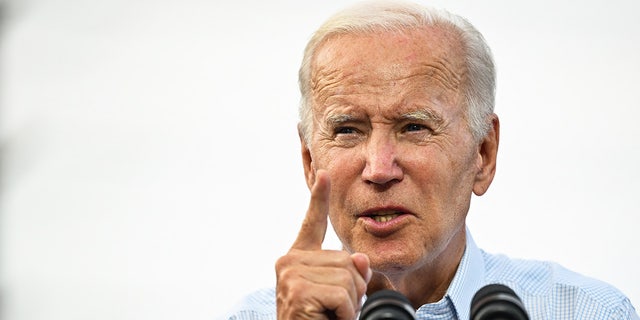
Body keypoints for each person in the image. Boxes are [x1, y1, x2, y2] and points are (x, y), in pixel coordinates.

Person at [223, 1, 639, 319]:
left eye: (414, 127)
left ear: (484, 153)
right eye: (348, 130)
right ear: (310, 162)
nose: (380, 169)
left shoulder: (590, 311)